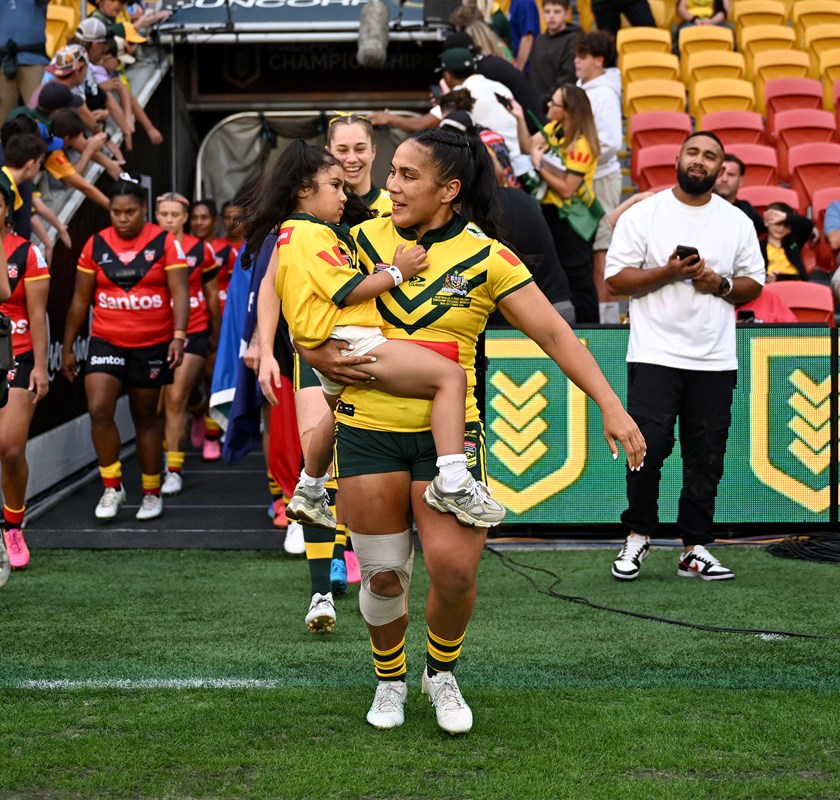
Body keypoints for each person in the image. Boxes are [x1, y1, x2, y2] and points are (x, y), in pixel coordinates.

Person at [296, 128, 645, 733]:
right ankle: (388, 680)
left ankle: (441, 672)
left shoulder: (490, 256)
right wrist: (317, 357)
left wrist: (610, 404)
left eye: (408, 175)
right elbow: (310, 310)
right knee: (381, 573)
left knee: (455, 573)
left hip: (450, 440)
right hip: (364, 428)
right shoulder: (353, 239)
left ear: (449, 190)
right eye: (394, 171)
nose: (390, 184)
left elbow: (557, 335)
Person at [249, 140, 506, 533]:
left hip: (326, 342)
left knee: (332, 416)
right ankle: (454, 480)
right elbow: (347, 289)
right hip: (353, 341)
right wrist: (397, 272)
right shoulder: (312, 236)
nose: (344, 193)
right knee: (450, 378)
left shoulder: (290, 235)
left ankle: (310, 487)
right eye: (335, 185)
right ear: (304, 189)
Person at [605, 132, 764, 583]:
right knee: (647, 449)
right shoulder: (645, 213)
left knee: (706, 456)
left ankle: (694, 547)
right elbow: (615, 280)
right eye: (693, 152)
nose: (700, 161)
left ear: (721, 170)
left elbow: (755, 281)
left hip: (714, 358)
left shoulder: (735, 221)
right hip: (654, 353)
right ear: (677, 158)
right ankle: (638, 535)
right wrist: (669, 272)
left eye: (710, 156)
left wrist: (719, 284)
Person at [61, 176, 189, 522]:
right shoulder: (95, 245)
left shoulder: (164, 243)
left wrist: (178, 336)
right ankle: (112, 486)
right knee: (99, 408)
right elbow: (79, 300)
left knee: (146, 417)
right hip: (106, 339)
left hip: (152, 342)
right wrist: (69, 346)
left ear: (143, 210)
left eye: (130, 212)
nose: (122, 218)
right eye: (116, 212)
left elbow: (179, 292)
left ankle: (150, 492)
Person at [154, 191, 221, 496]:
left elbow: (211, 294)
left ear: (185, 218)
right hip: (157, 333)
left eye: (174, 215)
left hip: (194, 329)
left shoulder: (200, 248)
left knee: (174, 397)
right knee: (162, 401)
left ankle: (173, 470)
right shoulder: (150, 247)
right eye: (163, 214)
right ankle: (198, 412)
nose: (168, 220)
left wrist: (216, 335)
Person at [526, 83, 602, 323]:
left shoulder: (581, 145)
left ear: (568, 111)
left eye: (555, 103)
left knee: (579, 281)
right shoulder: (555, 128)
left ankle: (592, 334)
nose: (549, 105)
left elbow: (568, 189)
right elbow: (529, 144)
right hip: (552, 214)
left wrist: (539, 166)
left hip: (573, 221)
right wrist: (518, 115)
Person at [0, 182, 46, 580]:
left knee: (11, 449)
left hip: (16, 356)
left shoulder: (26, 252)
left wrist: (41, 366)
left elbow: (37, 315)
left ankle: (13, 527)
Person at [574, 31, 623, 324]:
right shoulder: (588, 88)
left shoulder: (604, 94)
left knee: (602, 252)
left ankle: (607, 323)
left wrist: (576, 160)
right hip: (587, 179)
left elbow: (611, 142)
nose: (577, 62)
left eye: (583, 56)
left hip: (601, 179)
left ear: (599, 60)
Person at [325, 114, 392, 217]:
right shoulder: (320, 211)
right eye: (342, 150)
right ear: (328, 154)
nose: (352, 159)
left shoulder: (393, 206)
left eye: (360, 149)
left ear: (373, 151)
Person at [0, 0, 49, 124]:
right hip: (3, 62)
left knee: (39, 114)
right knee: (3, 119)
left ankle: (42, 141)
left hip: (34, 60)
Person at [527, 0, 581, 103]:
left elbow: (568, 76)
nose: (551, 16)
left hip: (559, 103)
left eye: (557, 12)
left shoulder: (574, 39)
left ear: (566, 14)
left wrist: (547, 100)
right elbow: (533, 73)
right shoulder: (539, 40)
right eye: (547, 11)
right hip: (537, 102)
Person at [761, 202, 815, 283]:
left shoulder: (793, 240)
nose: (781, 229)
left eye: (786, 225)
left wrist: (785, 217)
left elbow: (808, 224)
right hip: (772, 283)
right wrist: (766, 279)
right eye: (778, 224)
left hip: (796, 281)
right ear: (766, 222)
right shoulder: (759, 246)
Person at [713, 154, 764, 236]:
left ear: (740, 181)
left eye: (731, 175)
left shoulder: (747, 210)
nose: (724, 179)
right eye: (720, 174)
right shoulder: (699, 205)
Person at [507, 0, 541, 70]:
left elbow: (527, 37)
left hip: (526, 69)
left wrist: (519, 70)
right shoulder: (515, 2)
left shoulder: (524, 2)